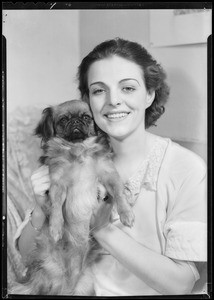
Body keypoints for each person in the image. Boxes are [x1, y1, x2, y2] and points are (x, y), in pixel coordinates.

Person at [14, 38, 207, 296]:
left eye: (127, 88)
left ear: (150, 94)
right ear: (88, 101)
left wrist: (101, 229)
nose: (113, 100)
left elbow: (183, 284)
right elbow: (27, 256)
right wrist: (40, 209)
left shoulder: (185, 168)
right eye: (98, 90)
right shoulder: (67, 159)